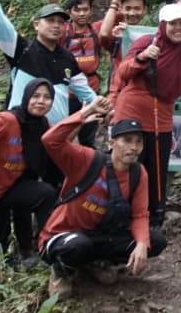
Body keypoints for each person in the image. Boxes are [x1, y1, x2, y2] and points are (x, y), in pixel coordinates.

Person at [0, 82, 96, 290]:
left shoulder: (41, 125)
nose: (41, 101)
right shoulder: (7, 120)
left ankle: (45, 248)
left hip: (1, 194)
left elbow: (57, 142)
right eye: (36, 96)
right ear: (25, 98)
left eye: (46, 97)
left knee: (41, 197)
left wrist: (80, 120)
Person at [110, 3, 181, 228]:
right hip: (132, 111)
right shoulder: (146, 42)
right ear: (163, 25)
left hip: (162, 117)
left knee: (156, 170)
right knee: (127, 165)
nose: (178, 28)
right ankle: (119, 216)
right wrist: (141, 58)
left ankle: (153, 219)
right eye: (173, 23)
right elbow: (123, 73)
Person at [40, 114, 167, 298]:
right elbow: (50, 140)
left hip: (102, 236)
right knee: (77, 245)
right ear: (111, 143)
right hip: (64, 234)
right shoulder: (88, 160)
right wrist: (85, 113)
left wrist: (141, 244)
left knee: (155, 240)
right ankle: (61, 272)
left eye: (138, 142)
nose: (133, 147)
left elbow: (140, 215)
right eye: (127, 140)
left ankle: (96, 262)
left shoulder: (139, 173)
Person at [0, 0, 96, 129]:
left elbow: (84, 91)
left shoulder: (67, 58)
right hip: (20, 131)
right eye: (50, 21)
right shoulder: (21, 49)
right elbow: (0, 24)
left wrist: (106, 109)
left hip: (56, 136)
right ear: (36, 25)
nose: (56, 25)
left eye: (60, 22)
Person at [97, 0, 150, 85]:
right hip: (118, 91)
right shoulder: (117, 34)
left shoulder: (149, 36)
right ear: (121, 9)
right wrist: (115, 1)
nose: (132, 13)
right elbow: (103, 34)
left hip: (141, 90)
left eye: (137, 8)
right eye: (128, 8)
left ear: (144, 10)